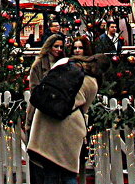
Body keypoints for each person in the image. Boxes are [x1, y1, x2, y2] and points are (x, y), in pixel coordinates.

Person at [27, 55, 106, 184]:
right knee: (68, 173)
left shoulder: (65, 65)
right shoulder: (92, 82)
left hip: (44, 121)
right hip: (69, 127)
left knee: (50, 171)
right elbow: (84, 109)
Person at [25, 34, 65, 135]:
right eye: (56, 46)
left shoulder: (64, 63)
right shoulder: (38, 65)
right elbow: (34, 89)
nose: (59, 49)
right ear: (49, 46)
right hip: (40, 109)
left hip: (59, 109)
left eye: (61, 47)